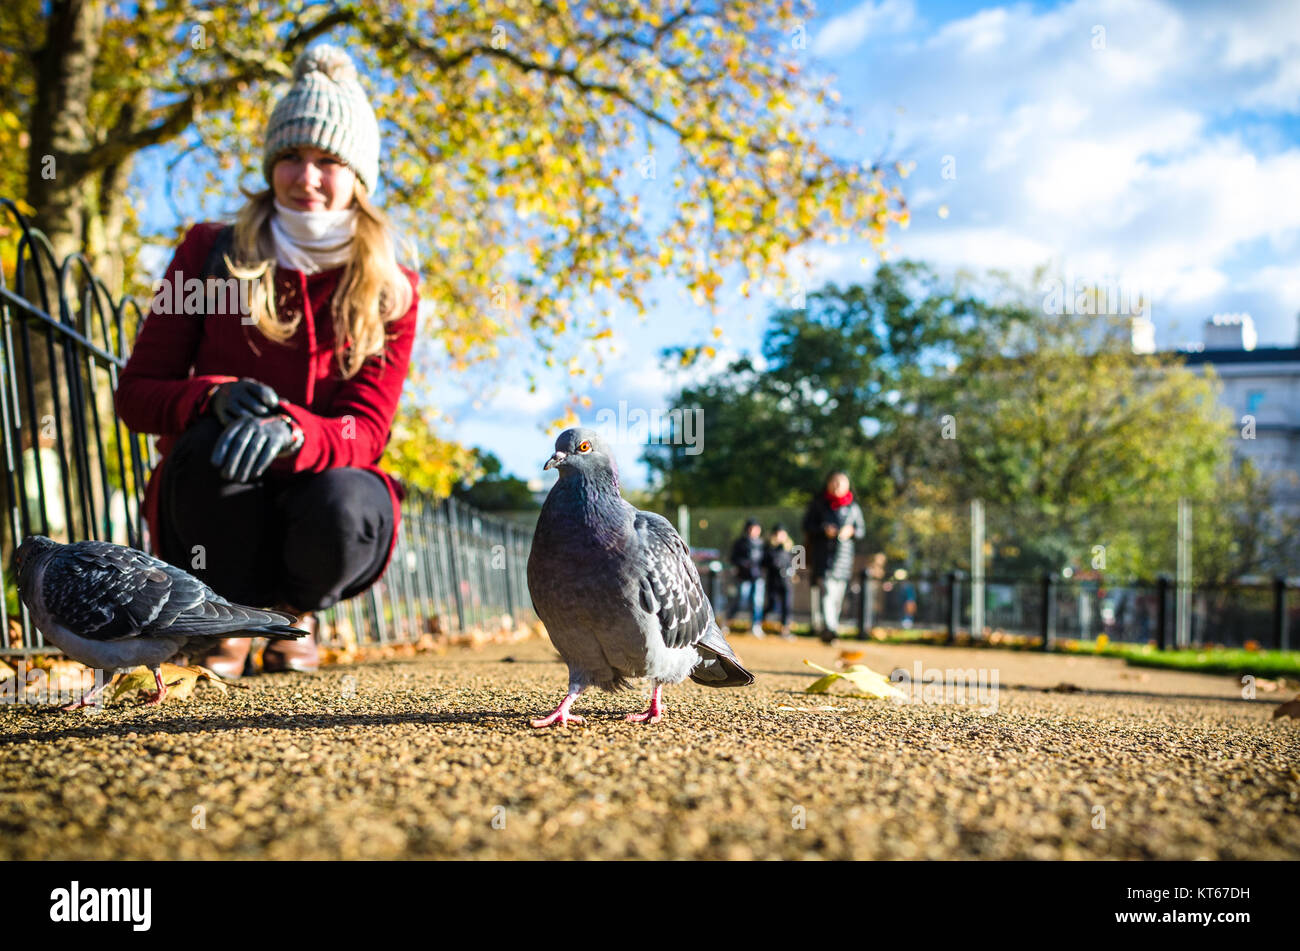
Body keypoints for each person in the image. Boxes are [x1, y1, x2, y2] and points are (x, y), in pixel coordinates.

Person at [114, 45, 419, 677]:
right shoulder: (207, 251)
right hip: (216, 500)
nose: (305, 177)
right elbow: (136, 394)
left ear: (358, 177)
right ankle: (224, 619)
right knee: (206, 452)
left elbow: (368, 428)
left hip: (322, 495)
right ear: (271, 165)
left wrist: (294, 432)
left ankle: (294, 617)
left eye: (327, 161)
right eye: (290, 157)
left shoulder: (393, 287)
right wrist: (211, 396)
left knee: (346, 500)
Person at [802, 471, 866, 643]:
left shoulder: (853, 508)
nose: (837, 486)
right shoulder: (818, 504)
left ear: (847, 485)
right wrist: (823, 529)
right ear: (828, 483)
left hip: (844, 559)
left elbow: (861, 530)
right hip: (823, 557)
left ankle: (830, 629)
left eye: (841, 482)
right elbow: (807, 525)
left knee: (837, 597)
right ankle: (830, 628)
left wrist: (851, 531)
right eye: (834, 482)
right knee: (827, 592)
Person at [728, 518, 766, 636]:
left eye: (755, 528)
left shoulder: (762, 544)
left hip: (758, 577)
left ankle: (755, 625)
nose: (753, 531)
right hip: (743, 577)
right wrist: (743, 564)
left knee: (757, 602)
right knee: (741, 600)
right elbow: (733, 558)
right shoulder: (740, 543)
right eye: (751, 528)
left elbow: (766, 560)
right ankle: (727, 622)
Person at [762, 523, 796, 640]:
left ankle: (785, 629)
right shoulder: (769, 548)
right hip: (773, 580)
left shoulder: (788, 548)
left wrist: (793, 573)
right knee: (772, 604)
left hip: (786, 581)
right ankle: (760, 623)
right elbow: (767, 563)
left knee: (787, 605)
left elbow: (791, 563)